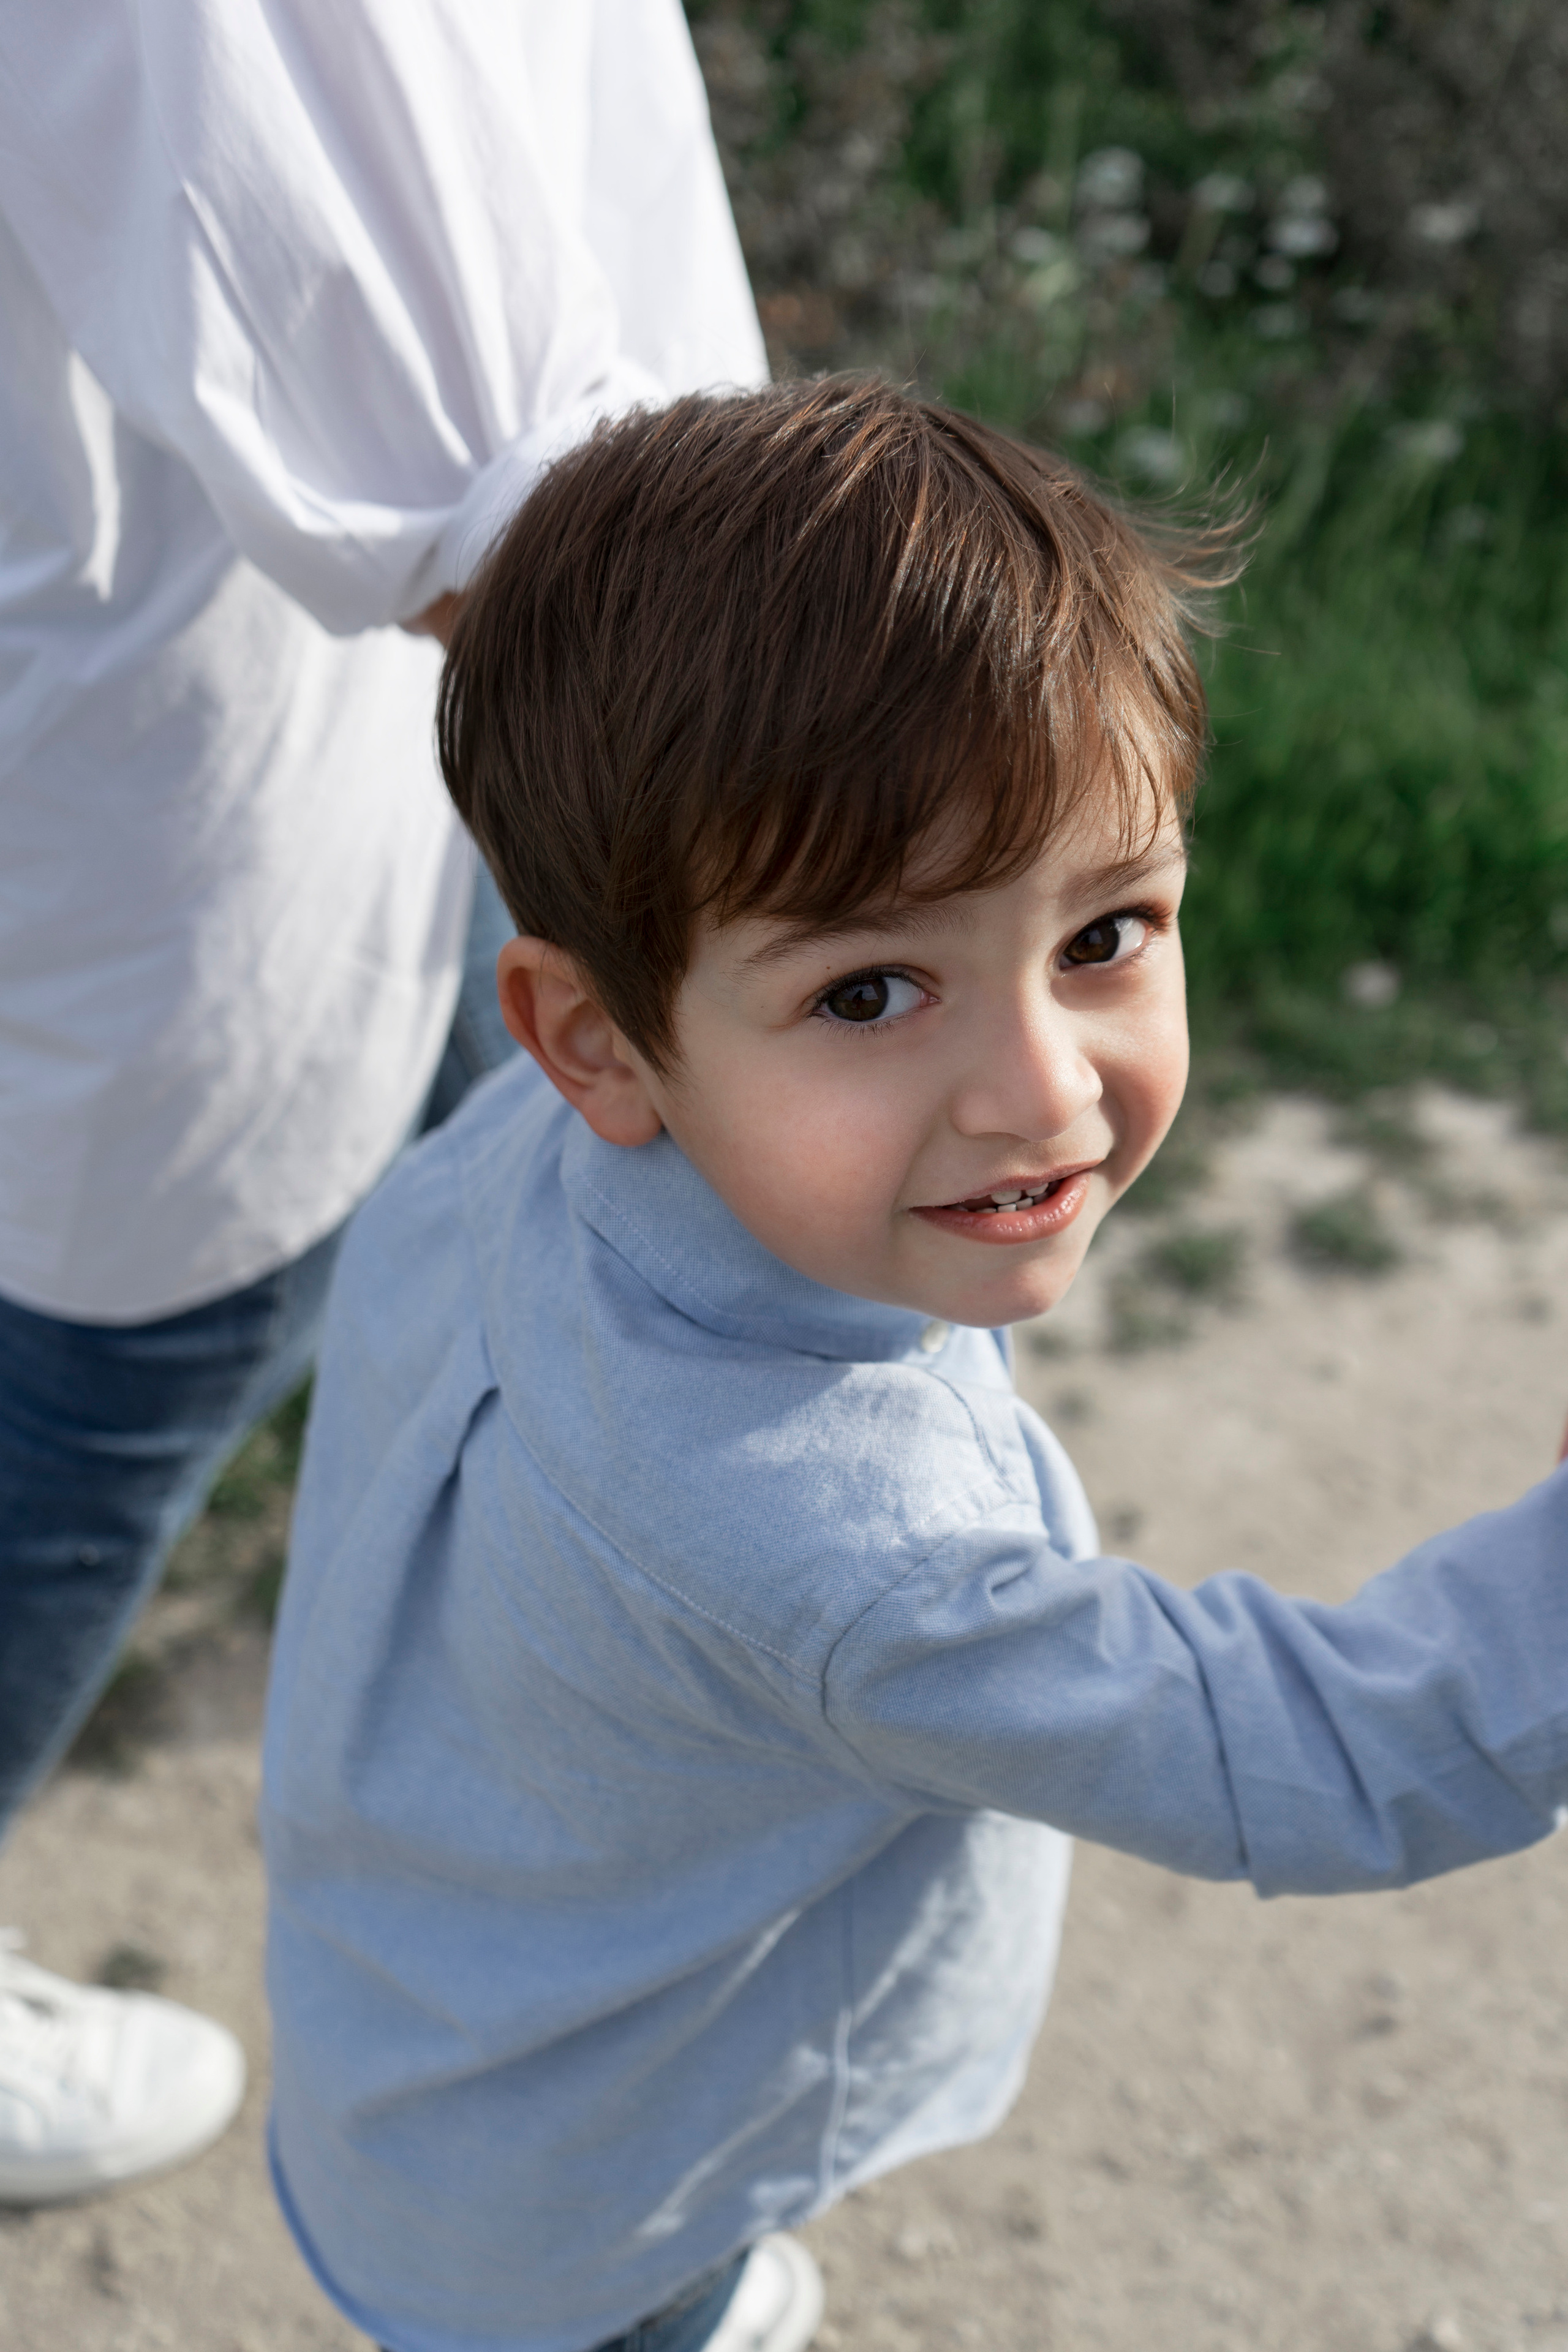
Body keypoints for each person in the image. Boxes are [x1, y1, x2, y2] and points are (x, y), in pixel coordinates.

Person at [260, 377, 1568, 2352]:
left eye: (1108, 933)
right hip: (592, 2204)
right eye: (871, 989)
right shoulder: (823, 1556)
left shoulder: (540, 1137)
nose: (1041, 1088)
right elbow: (1308, 1756)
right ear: (594, 1036)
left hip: (441, 2021)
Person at [0, 0, 765, 2203]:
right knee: (130, 1350)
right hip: (201, 727)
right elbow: (517, 513)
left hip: (310, 701)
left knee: (468, 1184)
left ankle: (514, 1750)